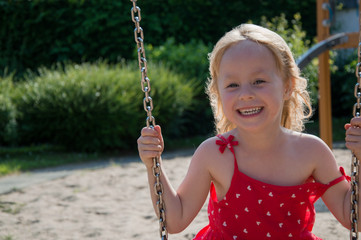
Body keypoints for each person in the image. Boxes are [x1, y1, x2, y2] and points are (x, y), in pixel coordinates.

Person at [137, 23, 361, 239]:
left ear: (287, 86)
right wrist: (152, 164)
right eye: (232, 85)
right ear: (218, 93)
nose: (245, 94)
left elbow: (352, 217)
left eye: (259, 81)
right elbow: (175, 220)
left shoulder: (312, 152)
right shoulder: (214, 154)